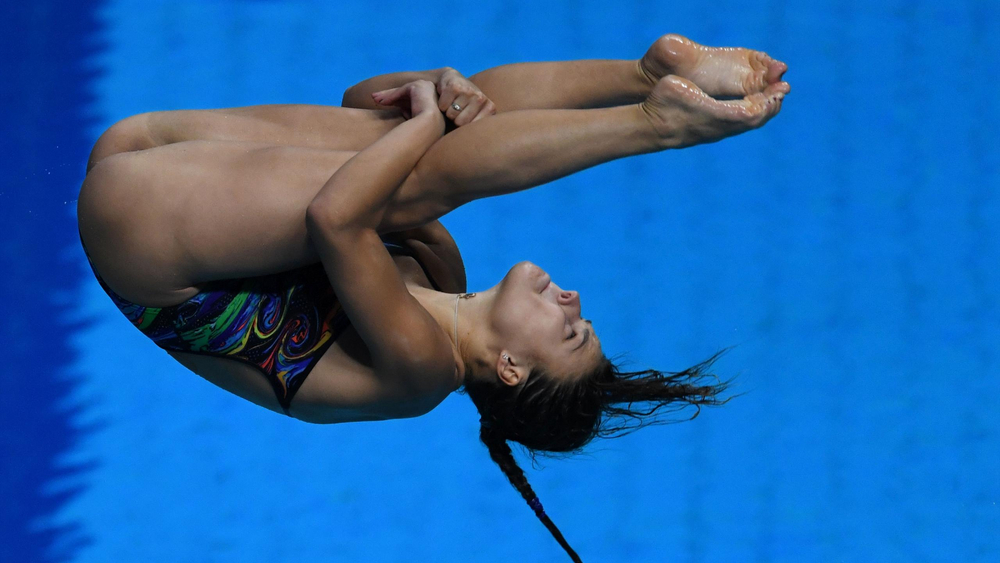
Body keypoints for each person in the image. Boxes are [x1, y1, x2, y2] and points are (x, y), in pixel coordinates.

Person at [77, 34, 790, 562]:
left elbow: (336, 216)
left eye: (570, 332)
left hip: (144, 237)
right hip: (146, 150)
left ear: (509, 367)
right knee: (426, 137)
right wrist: (431, 90)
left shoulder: (421, 371)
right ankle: (642, 75)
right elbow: (362, 102)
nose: (572, 300)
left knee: (417, 169)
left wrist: (427, 123)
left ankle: (655, 122)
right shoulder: (440, 273)